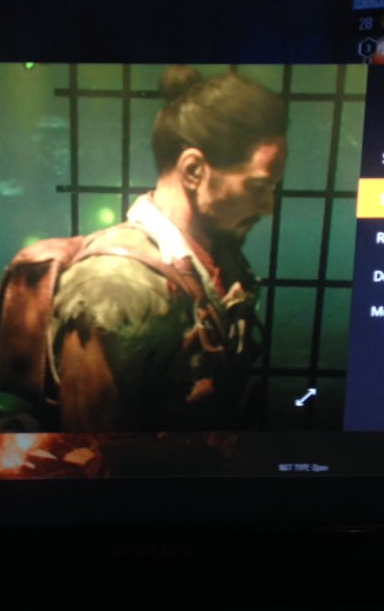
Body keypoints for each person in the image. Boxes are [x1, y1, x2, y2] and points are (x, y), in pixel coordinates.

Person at [52, 66, 287, 431]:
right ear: (193, 170)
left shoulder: (219, 256)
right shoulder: (111, 285)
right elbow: (92, 454)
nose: (268, 207)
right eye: (257, 187)